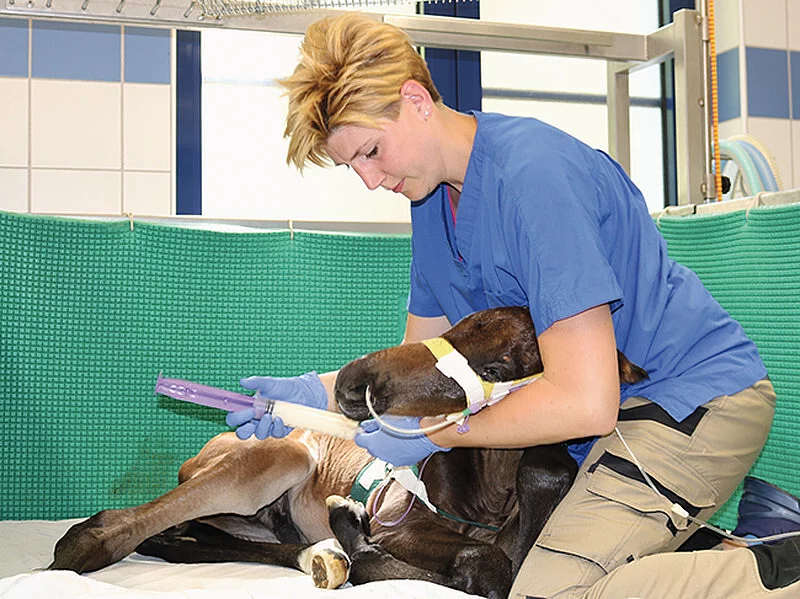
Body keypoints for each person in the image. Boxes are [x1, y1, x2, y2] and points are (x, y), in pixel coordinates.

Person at [226, 12, 800, 599]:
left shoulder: (533, 179)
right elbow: (422, 369)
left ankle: (783, 568)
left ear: (416, 99)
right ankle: (749, 537)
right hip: (594, 427)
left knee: (548, 592)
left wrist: (439, 438)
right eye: (353, 166)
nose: (370, 179)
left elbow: (586, 401)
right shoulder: (431, 204)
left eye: (371, 151)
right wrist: (309, 400)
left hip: (690, 400)